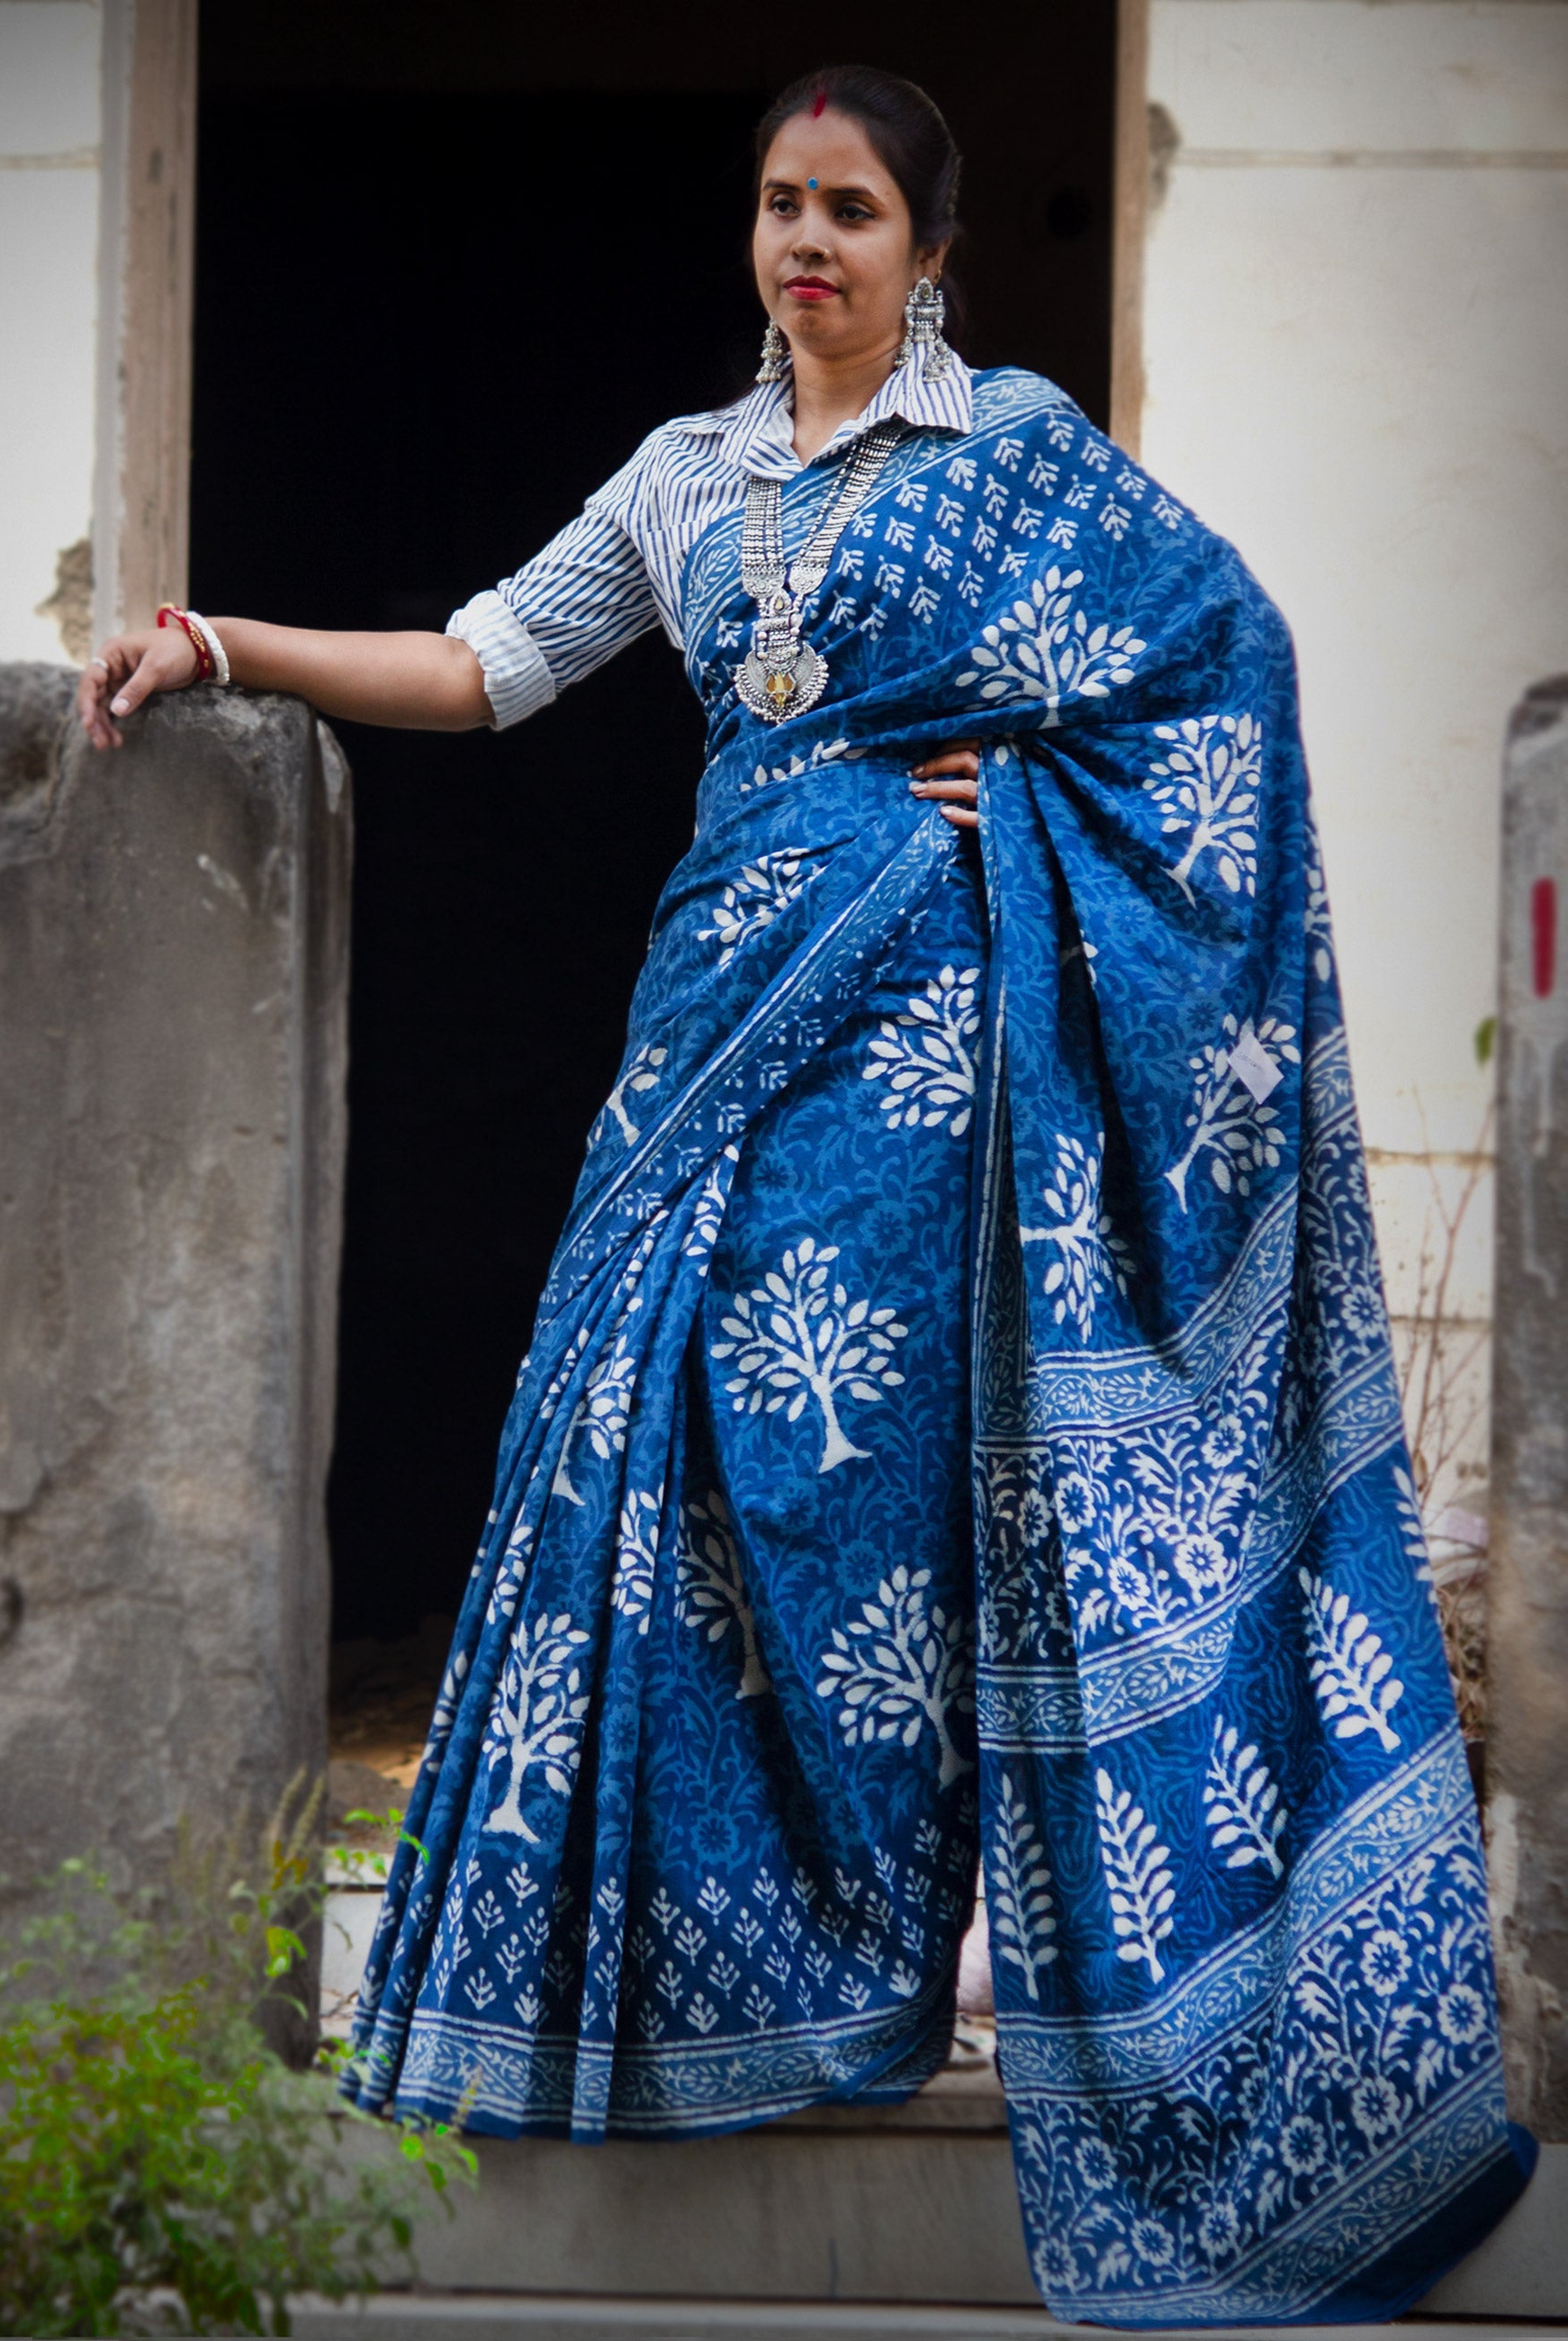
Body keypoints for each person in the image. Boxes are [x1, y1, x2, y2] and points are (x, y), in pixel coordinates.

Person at [78, 65, 1533, 2329]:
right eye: (778, 205)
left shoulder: (1021, 458)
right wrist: (222, 641)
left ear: (929, 247)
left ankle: (893, 1973)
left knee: (868, 1499)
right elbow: (485, 663)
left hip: (933, 1074)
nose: (807, 245)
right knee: (671, 1467)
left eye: (850, 210)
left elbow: (1220, 667)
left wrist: (1044, 793)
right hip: (708, 1048)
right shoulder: (687, 481)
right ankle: (686, 1986)